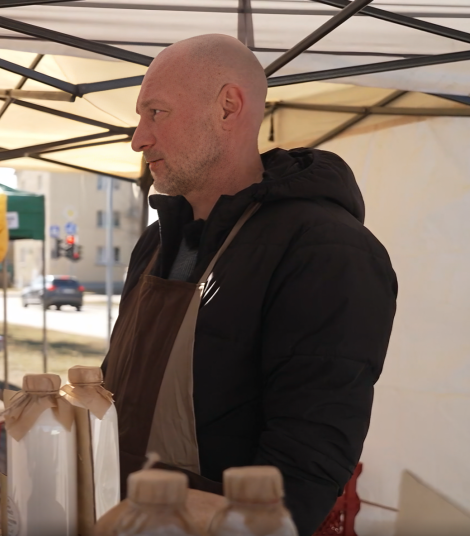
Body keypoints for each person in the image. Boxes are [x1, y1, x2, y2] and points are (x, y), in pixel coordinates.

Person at [102, 35, 397, 536]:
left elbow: (302, 471)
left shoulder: (325, 250)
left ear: (228, 107)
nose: (138, 138)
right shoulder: (155, 243)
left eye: (156, 112)